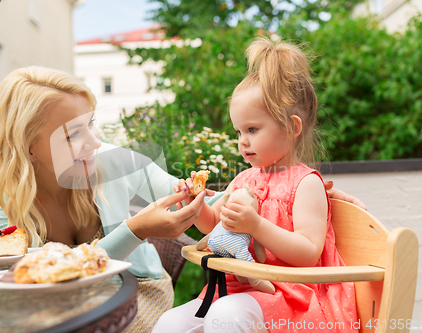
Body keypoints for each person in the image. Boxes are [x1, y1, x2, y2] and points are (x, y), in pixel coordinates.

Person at [0, 66, 208, 333]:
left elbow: (201, 200)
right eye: (73, 134)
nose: (95, 143)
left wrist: (239, 194)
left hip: (138, 287)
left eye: (91, 123)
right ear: (28, 147)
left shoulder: (114, 161)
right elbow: (33, 284)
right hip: (50, 303)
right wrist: (135, 230)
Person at [153, 37, 359, 333]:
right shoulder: (245, 179)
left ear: (292, 127)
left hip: (292, 295)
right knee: (169, 323)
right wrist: (195, 206)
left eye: (252, 129)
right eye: (239, 131)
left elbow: (308, 252)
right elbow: (215, 228)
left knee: (226, 315)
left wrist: (256, 225)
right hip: (241, 288)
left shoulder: (305, 184)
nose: (243, 141)